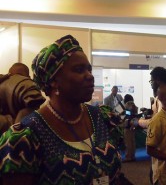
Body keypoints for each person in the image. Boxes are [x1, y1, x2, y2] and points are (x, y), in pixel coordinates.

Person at [0, 35, 124, 185]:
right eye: (79, 70)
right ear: (53, 81)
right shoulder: (25, 138)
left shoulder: (104, 119)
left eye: (89, 69)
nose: (90, 76)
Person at [0, 63, 45, 133]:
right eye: (12, 77)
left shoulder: (28, 87)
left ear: (28, 78)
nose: (15, 79)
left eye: (19, 76)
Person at [122, 94, 137, 162]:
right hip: (133, 124)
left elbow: (127, 114)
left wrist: (123, 113)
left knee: (128, 142)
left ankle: (128, 157)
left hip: (128, 125)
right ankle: (133, 156)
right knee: (132, 141)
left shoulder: (127, 104)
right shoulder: (134, 105)